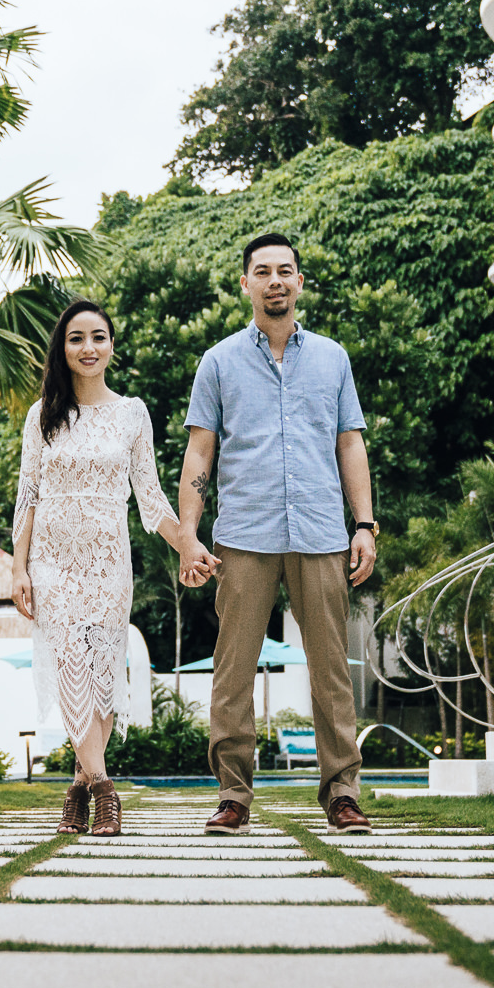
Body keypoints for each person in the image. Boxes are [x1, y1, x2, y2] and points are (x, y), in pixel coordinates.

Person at [178, 232, 377, 834]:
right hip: (244, 533)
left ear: (298, 280)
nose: (275, 281)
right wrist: (190, 533)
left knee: (331, 672)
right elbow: (199, 451)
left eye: (285, 270)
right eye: (262, 271)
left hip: (321, 530)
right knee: (233, 669)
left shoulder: (333, 359)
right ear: (246, 283)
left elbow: (350, 442)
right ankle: (233, 796)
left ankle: (342, 794)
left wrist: (364, 523)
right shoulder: (218, 361)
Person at [12, 299, 215, 836]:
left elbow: (149, 497)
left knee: (103, 675)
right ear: (63, 347)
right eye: (76, 338)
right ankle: (105, 790)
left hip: (107, 559)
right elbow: (27, 494)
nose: (88, 348)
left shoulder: (133, 413)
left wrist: (187, 546)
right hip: (52, 560)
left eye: (98, 337)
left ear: (111, 346)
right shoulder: (42, 415)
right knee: (70, 667)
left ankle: (77, 790)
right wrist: (18, 568)